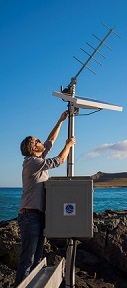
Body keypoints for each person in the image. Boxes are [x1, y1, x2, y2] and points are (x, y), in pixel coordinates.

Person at [14, 110, 75, 287]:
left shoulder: (38, 159)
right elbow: (59, 160)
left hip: (37, 216)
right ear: (33, 148)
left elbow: (50, 141)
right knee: (28, 260)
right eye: (37, 141)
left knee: (37, 260)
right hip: (30, 217)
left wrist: (61, 121)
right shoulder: (33, 162)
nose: (41, 141)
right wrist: (69, 145)